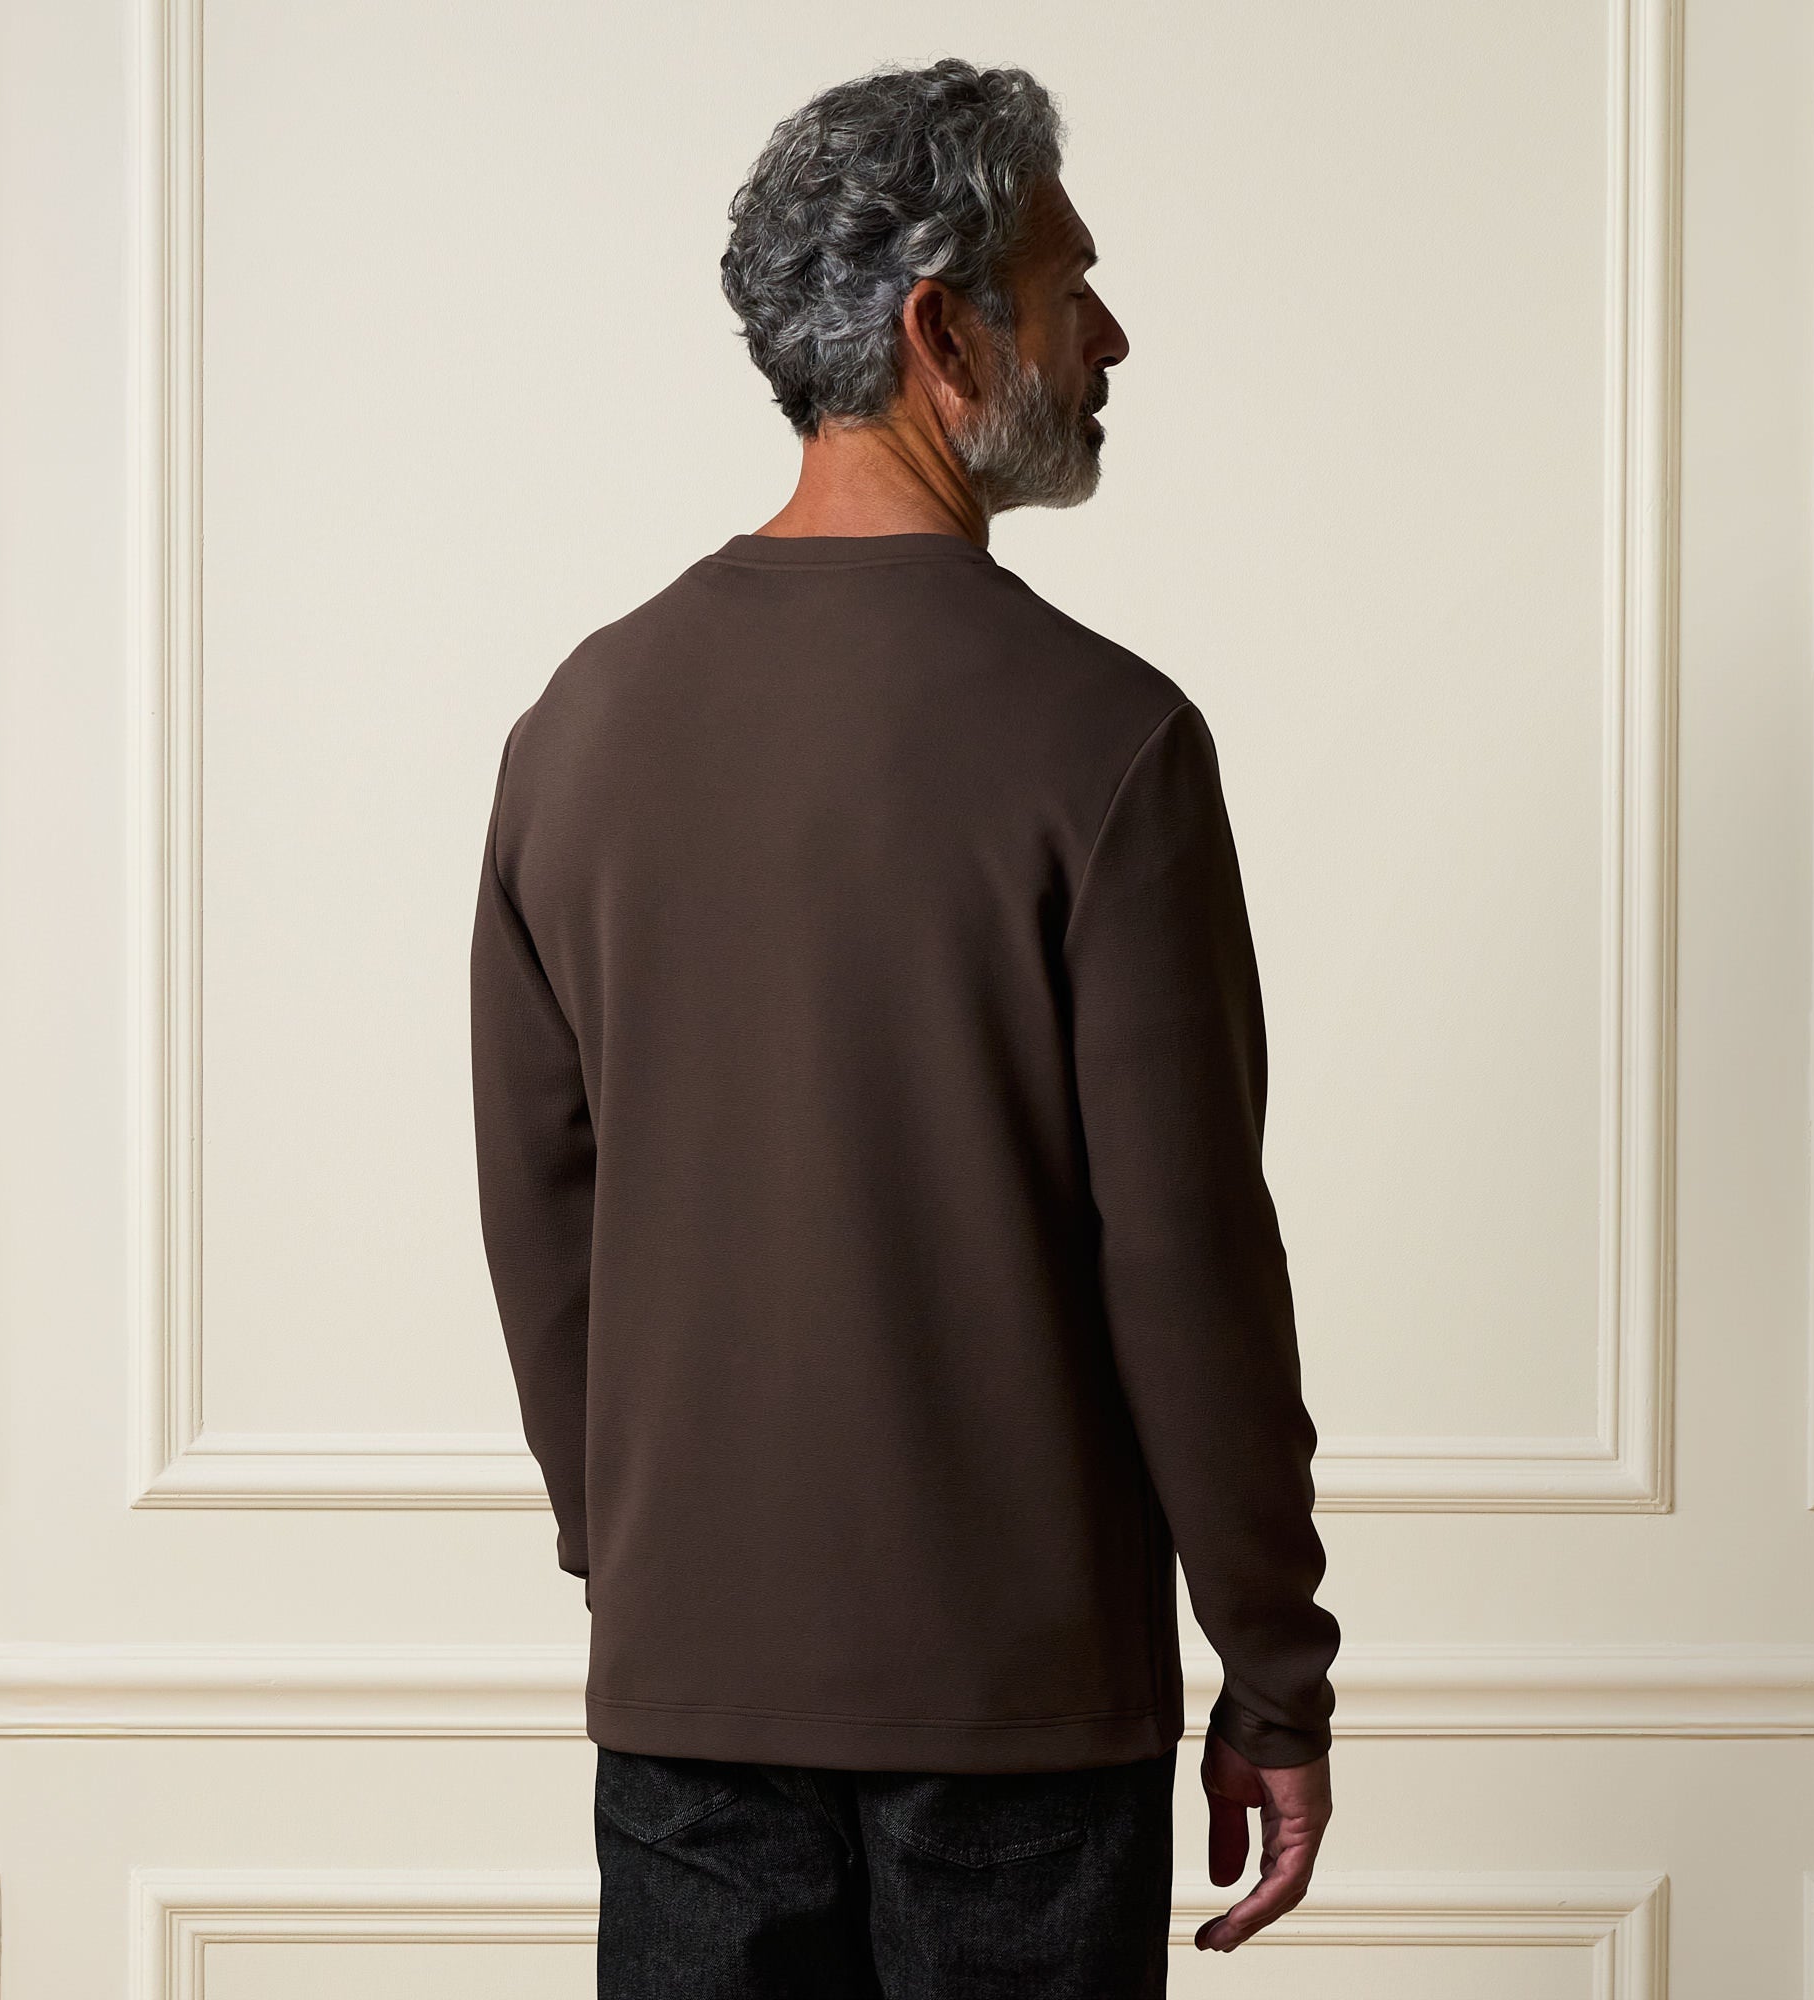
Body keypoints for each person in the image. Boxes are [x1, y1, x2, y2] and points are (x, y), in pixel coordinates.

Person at [469, 55, 1340, 1998]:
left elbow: (542, 1217)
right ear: (943, 332)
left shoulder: (579, 729)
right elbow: (1190, 1259)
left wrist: (647, 1559)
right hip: (1015, 1713)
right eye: (1069, 284)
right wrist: (1275, 1667)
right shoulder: (1107, 743)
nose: (1109, 336)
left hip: (690, 1703)